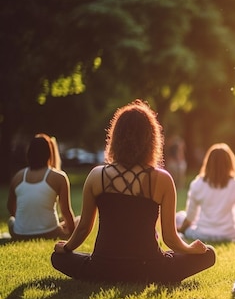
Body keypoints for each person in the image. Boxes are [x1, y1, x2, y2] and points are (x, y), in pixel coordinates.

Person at [51, 100, 216, 284]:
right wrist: (191, 250)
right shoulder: (162, 179)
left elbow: (83, 229)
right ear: (152, 139)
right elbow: (170, 238)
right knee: (208, 254)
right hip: (150, 269)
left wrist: (66, 249)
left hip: (102, 268)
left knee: (56, 257)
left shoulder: (97, 176)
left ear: (115, 138)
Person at [176, 143, 235, 242]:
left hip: (201, 234)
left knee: (179, 216)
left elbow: (190, 218)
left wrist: (181, 230)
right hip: (230, 234)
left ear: (208, 163)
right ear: (230, 163)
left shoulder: (197, 184)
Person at [7, 134, 77, 240]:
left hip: (19, 234)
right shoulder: (59, 177)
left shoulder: (18, 176)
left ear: (29, 153)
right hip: (51, 233)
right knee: (78, 220)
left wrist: (25, 223)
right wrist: (71, 233)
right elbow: (65, 211)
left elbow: (10, 207)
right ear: (49, 154)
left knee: (11, 220)